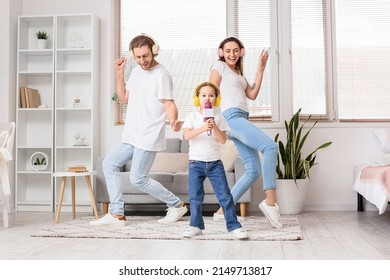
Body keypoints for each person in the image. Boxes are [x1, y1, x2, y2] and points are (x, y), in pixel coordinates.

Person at [90, 34, 187, 227]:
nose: (143, 60)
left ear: (153, 50)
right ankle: (117, 213)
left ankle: (177, 204)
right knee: (109, 164)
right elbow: (123, 98)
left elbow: (169, 103)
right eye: (138, 57)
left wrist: (174, 119)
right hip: (132, 133)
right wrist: (119, 73)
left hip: (148, 134)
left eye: (146, 56)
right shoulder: (136, 72)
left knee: (137, 178)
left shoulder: (162, 74)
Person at [209, 37, 283, 229]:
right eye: (227, 51)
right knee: (270, 147)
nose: (231, 54)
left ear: (241, 52)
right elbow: (210, 92)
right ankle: (270, 202)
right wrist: (209, 120)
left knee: (252, 171)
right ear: (221, 52)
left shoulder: (238, 73)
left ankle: (222, 211)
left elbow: (252, 94)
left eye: (235, 50)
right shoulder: (219, 66)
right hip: (231, 117)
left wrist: (261, 68)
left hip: (241, 118)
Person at [181, 81, 248, 239]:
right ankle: (195, 226)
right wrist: (203, 128)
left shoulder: (219, 117)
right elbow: (187, 135)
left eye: (211, 95)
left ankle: (234, 227)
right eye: (204, 95)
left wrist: (214, 126)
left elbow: (223, 140)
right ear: (198, 98)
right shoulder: (192, 116)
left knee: (224, 195)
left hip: (215, 163)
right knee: (195, 197)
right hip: (195, 163)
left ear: (216, 98)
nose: (207, 98)